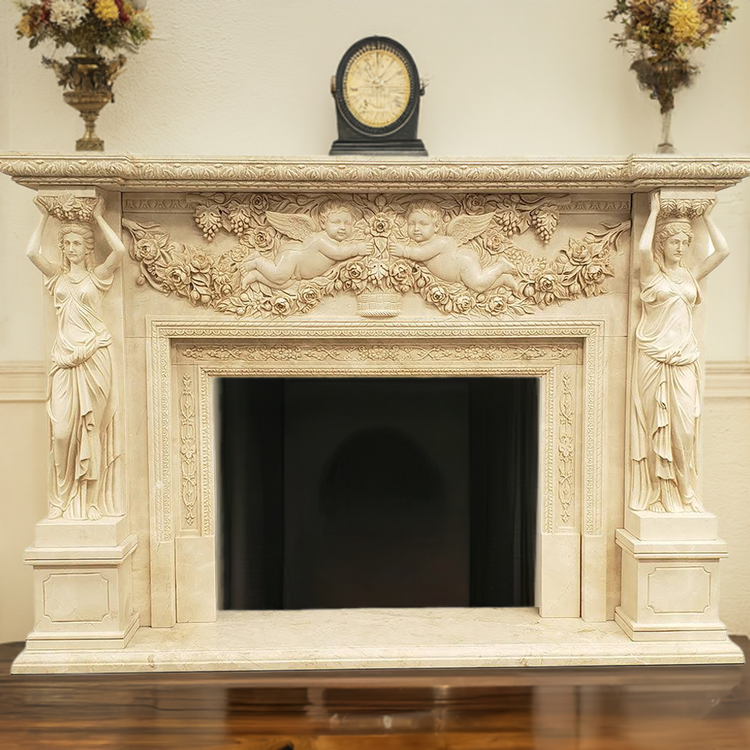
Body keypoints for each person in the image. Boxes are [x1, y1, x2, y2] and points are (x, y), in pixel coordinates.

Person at [630, 193, 729, 513]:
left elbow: (723, 251)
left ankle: (687, 492)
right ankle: (662, 492)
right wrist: (655, 213)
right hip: (653, 360)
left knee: (685, 427)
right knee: (657, 426)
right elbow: (643, 248)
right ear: (663, 243)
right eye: (674, 241)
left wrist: (707, 218)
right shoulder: (652, 275)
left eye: (686, 242)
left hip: (684, 358)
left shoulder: (690, 275)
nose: (681, 247)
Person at [27, 198, 124, 520]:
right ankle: (62, 499)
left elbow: (120, 252)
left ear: (86, 248)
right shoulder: (56, 276)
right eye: (66, 242)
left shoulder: (96, 277)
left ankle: (92, 499)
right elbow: (31, 253)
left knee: (93, 428)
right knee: (62, 432)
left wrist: (98, 217)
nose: (70, 248)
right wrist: (43, 218)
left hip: (95, 355)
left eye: (77, 243)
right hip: (64, 359)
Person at [390, 201, 517, 293]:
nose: (416, 228)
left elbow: (421, 253)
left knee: (478, 284)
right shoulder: (426, 243)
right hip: (460, 268)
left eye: (423, 224)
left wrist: (404, 251)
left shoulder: (438, 242)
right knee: (479, 288)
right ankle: (504, 279)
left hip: (462, 265)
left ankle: (500, 266)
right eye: (411, 224)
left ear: (436, 226)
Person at [240, 201, 371, 289]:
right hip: (292, 260)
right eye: (336, 222)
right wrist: (357, 249)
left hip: (298, 272)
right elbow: (338, 253)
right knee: (278, 276)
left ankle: (256, 276)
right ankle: (257, 261)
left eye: (347, 223)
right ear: (323, 223)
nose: (342, 227)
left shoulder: (336, 243)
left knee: (283, 284)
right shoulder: (321, 239)